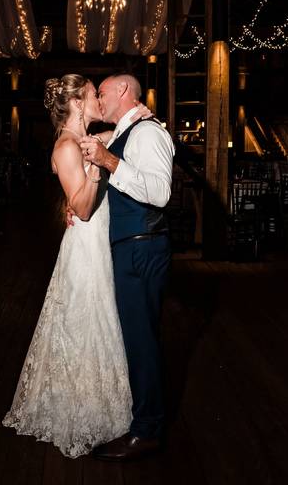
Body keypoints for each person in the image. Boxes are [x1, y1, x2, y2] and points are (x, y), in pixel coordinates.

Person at [3, 74, 151, 458]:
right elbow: (82, 208)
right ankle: (83, 410)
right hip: (86, 244)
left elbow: (109, 139)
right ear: (76, 103)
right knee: (88, 322)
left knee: (103, 321)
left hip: (100, 241)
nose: (98, 101)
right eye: (91, 95)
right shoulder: (67, 147)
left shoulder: (82, 140)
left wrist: (132, 119)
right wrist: (98, 167)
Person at [79, 73, 174, 461]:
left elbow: (160, 192)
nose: (99, 98)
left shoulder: (148, 133)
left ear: (122, 91)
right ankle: (143, 420)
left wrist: (108, 161)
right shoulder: (129, 129)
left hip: (143, 248)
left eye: (101, 91)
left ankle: (147, 431)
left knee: (142, 341)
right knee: (136, 338)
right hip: (132, 246)